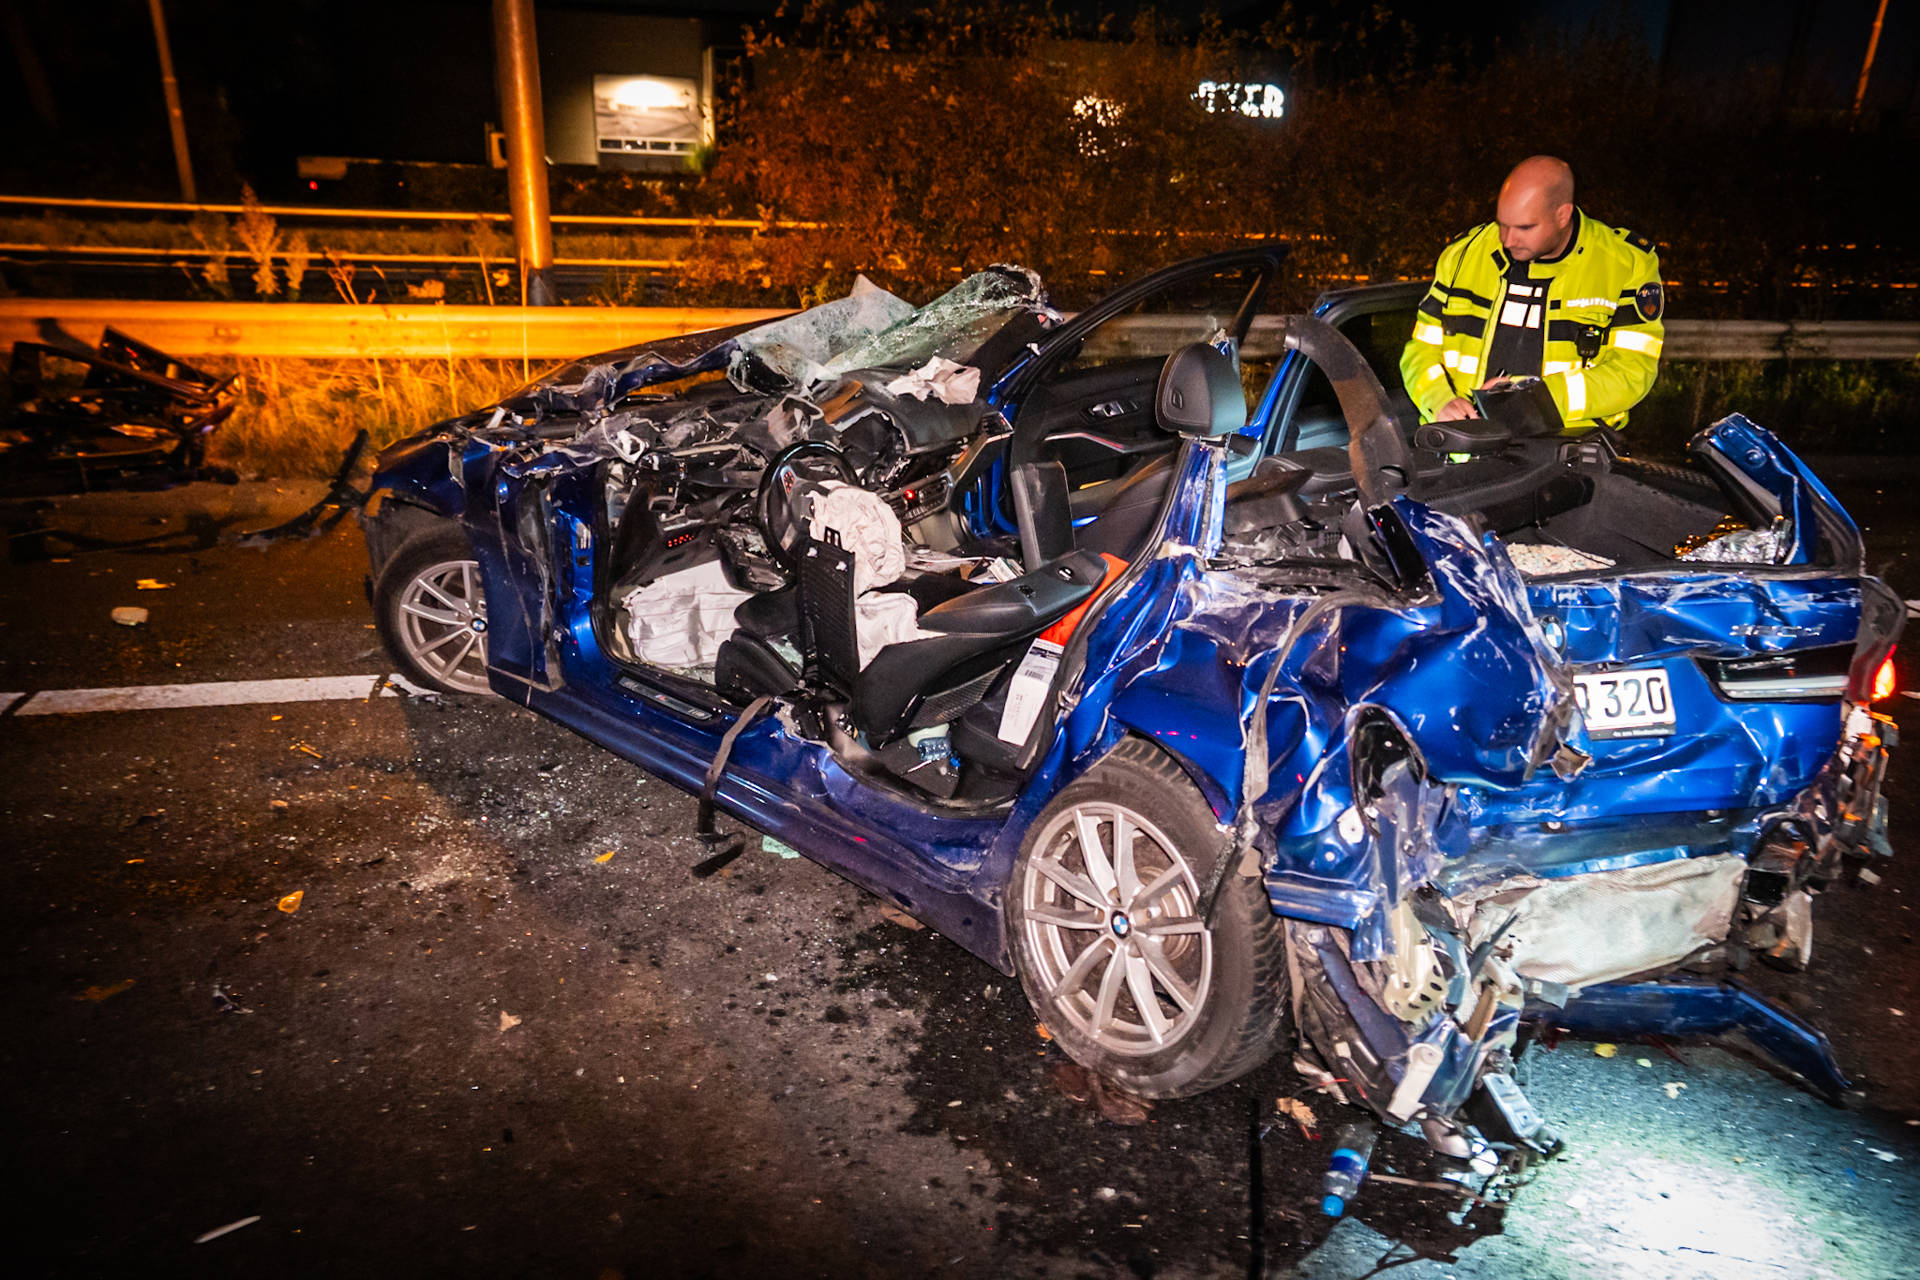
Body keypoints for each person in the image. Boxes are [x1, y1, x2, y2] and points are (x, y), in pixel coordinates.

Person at [1399, 156, 1665, 433]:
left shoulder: (1625, 263)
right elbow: (1420, 349)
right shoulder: (1463, 254)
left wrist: (1534, 397)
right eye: (1502, 223)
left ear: (1562, 215)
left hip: (1567, 454)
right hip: (1465, 452)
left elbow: (1633, 372)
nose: (1507, 239)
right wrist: (1439, 401)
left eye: (1525, 228)